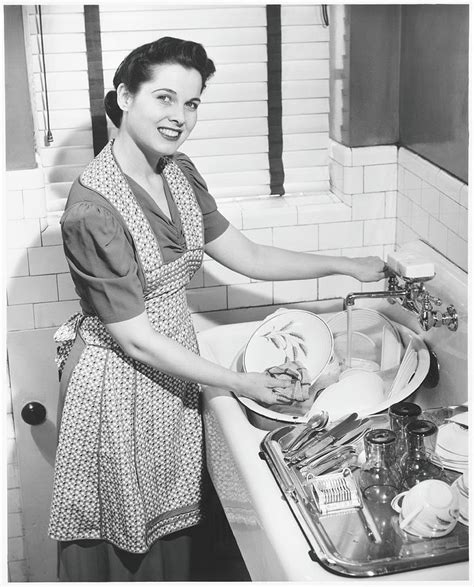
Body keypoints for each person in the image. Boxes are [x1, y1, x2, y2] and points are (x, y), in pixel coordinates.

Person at [49, 36, 387, 581]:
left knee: (179, 530)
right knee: (134, 543)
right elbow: (134, 338)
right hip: (117, 383)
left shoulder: (178, 171)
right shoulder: (93, 209)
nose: (179, 117)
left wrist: (346, 264)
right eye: (163, 98)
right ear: (124, 97)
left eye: (192, 103)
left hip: (171, 368)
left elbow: (247, 255)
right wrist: (243, 382)